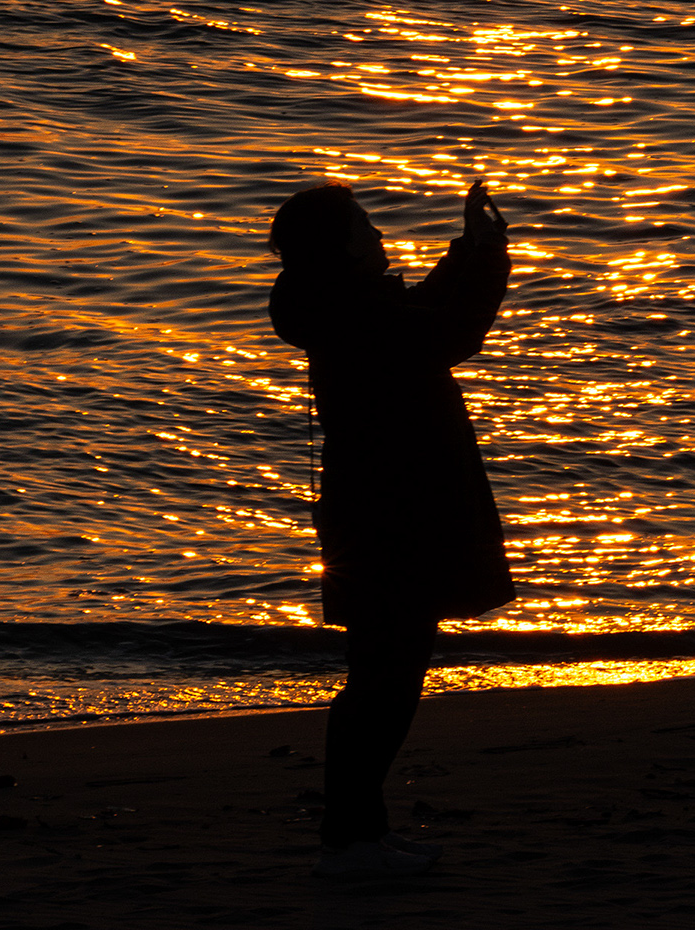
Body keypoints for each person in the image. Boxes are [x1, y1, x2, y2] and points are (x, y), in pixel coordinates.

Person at [268, 177, 513, 878]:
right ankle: (349, 841)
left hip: (386, 510)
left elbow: (424, 315)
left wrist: (468, 251)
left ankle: (360, 831)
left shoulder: (346, 302)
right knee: (385, 680)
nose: (377, 235)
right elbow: (450, 333)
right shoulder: (348, 310)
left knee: (386, 675)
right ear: (338, 244)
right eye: (363, 226)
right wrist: (486, 259)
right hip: (391, 515)